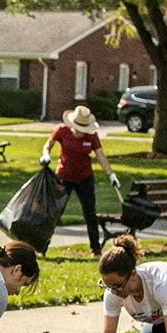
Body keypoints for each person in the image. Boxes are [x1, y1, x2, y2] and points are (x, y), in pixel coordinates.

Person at [39, 103, 120, 257]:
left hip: (85, 178)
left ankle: (96, 250)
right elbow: (48, 145)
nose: (80, 132)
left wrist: (111, 174)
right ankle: (42, 248)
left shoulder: (91, 136)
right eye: (78, 129)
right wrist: (45, 154)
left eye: (83, 129)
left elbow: (100, 156)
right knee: (55, 213)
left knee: (90, 213)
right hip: (64, 177)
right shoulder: (62, 130)